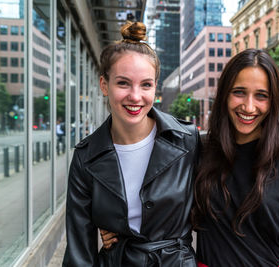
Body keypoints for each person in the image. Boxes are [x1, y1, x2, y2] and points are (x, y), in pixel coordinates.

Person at [62, 21, 199, 266]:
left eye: (146, 84)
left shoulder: (187, 139)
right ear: (105, 85)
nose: (135, 96)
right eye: (123, 83)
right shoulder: (86, 156)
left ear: (155, 87)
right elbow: (78, 250)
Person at [192, 49, 279, 267]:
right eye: (239, 92)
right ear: (224, 94)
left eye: (261, 96)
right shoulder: (201, 149)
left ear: (273, 101)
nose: (248, 106)